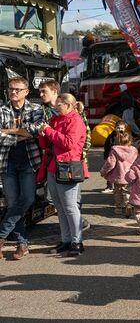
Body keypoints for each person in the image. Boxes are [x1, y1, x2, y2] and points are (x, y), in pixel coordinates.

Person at [39, 93, 87, 257]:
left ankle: (77, 241)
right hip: (54, 167)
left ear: (68, 105)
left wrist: (49, 132)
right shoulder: (56, 119)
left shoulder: (76, 120)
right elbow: (47, 143)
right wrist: (43, 134)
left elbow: (68, 143)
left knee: (70, 207)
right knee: (59, 207)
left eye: (58, 105)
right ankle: (66, 240)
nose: (56, 107)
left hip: (68, 167)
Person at [0, 76, 43, 260]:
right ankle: (22, 243)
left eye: (17, 89)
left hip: (29, 162)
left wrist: (8, 131)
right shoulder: (1, 110)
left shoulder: (36, 109)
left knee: (27, 199)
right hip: (7, 163)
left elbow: (37, 130)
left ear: (26, 92)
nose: (13, 92)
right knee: (12, 203)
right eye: (11, 89)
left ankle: (1, 236)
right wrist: (21, 135)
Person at [100, 131, 138, 215]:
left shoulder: (115, 150)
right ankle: (128, 204)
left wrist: (103, 171)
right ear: (130, 141)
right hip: (130, 176)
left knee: (117, 193)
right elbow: (137, 162)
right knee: (128, 192)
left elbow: (110, 163)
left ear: (118, 141)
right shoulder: (134, 150)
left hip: (118, 176)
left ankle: (118, 208)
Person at [102, 120, 128, 192]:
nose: (120, 130)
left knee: (121, 172)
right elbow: (107, 147)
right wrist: (106, 157)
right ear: (115, 128)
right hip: (112, 156)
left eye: (121, 128)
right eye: (118, 128)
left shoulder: (125, 136)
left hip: (121, 158)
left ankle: (122, 185)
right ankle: (109, 186)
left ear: (124, 128)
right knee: (110, 171)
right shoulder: (111, 137)